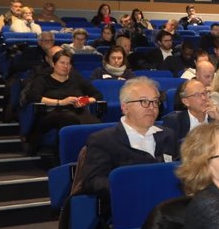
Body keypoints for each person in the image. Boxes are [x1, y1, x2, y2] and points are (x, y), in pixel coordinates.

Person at [71, 78, 178, 214]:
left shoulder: (168, 136)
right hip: (125, 207)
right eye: (144, 101)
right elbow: (93, 182)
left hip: (165, 208)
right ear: (125, 107)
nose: (152, 107)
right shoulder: (103, 140)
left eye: (155, 102)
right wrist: (130, 187)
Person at [22, 50, 104, 149]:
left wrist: (84, 101)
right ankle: (64, 155)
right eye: (62, 63)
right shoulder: (42, 79)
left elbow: (97, 95)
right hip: (51, 113)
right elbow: (33, 96)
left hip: (77, 111)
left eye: (68, 63)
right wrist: (60, 102)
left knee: (98, 125)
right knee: (69, 118)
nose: (66, 66)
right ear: (53, 64)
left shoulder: (76, 78)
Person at [160, 78, 217, 144]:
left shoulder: (215, 119)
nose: (204, 98)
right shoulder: (174, 121)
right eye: (197, 95)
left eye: (205, 93)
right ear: (186, 102)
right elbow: (171, 151)